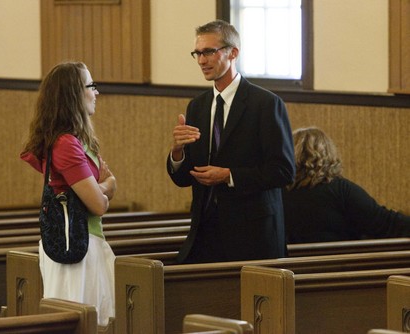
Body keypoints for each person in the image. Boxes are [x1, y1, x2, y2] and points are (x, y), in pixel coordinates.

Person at [167, 20, 296, 264]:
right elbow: (184, 178)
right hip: (206, 233)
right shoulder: (198, 106)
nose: (202, 61)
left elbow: (284, 171)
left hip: (253, 236)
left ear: (233, 52)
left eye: (209, 52)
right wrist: (177, 153)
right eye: (197, 53)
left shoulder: (266, 104)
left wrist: (229, 175)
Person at [20, 61, 117, 326]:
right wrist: (105, 187)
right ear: (73, 94)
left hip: (87, 244)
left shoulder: (79, 141)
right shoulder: (65, 144)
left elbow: (107, 185)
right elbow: (98, 204)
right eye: (91, 86)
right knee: (78, 322)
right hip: (75, 248)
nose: (96, 92)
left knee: (95, 321)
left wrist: (103, 187)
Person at [283, 126, 410, 243]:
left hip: (284, 267)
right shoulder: (342, 190)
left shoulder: (278, 194)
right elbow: (387, 223)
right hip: (338, 265)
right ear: (329, 154)